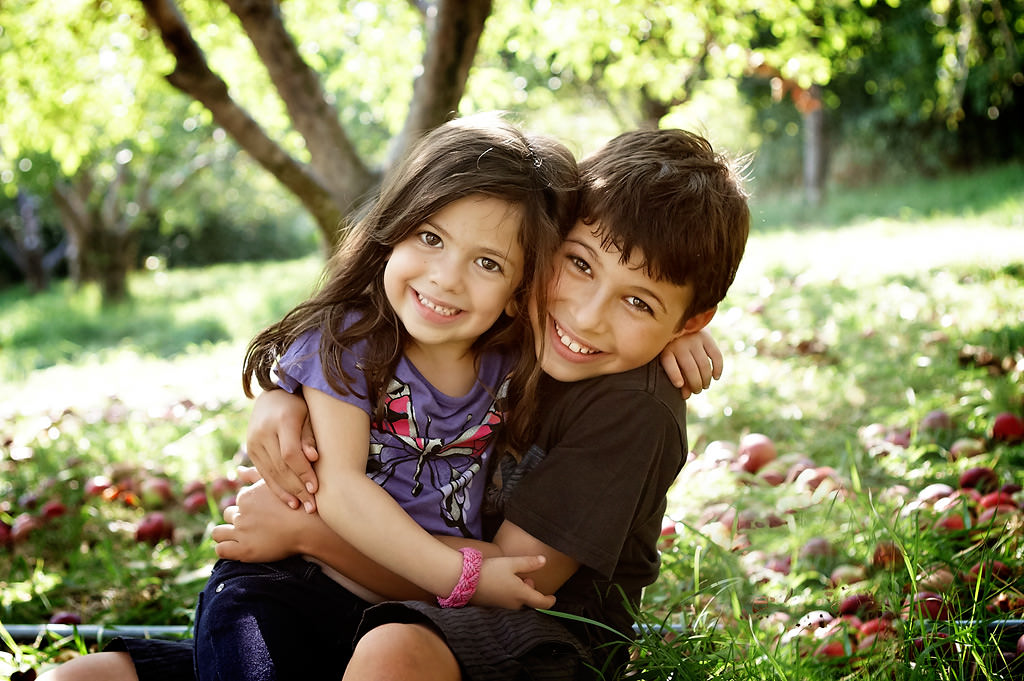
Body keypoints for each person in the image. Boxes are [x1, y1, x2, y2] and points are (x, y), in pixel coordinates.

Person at [39, 126, 746, 680]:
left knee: (390, 651)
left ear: (688, 321)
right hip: (363, 599)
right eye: (579, 264)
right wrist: (287, 394)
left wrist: (310, 533)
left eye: (637, 302)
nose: (588, 316)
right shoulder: (509, 327)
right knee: (95, 674)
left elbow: (513, 580)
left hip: (528, 631)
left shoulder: (629, 398)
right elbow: (349, 353)